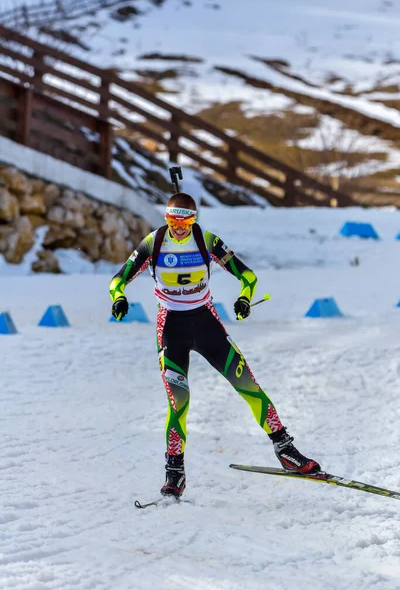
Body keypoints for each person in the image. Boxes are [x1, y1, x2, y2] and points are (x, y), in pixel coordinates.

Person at [109, 193, 320, 498]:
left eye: (186, 221)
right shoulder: (153, 243)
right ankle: (175, 471)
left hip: (206, 326)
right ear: (167, 219)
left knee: (248, 384)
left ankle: (286, 450)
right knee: (178, 402)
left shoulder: (206, 241)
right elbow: (118, 279)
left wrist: (245, 298)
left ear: (194, 220)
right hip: (171, 330)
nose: (180, 228)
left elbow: (246, 275)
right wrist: (119, 297)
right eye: (173, 220)